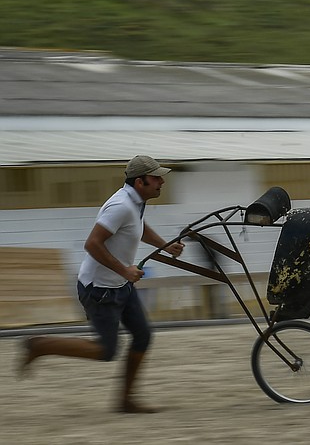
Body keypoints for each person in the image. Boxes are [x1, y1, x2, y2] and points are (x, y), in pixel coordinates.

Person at [19, 155, 185, 413]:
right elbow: (92, 244)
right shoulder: (121, 205)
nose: (161, 182)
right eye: (156, 178)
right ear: (140, 181)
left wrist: (164, 245)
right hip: (100, 289)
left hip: (120, 284)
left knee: (142, 336)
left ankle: (125, 400)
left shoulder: (135, 203)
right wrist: (125, 270)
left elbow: (137, 227)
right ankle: (40, 345)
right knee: (106, 351)